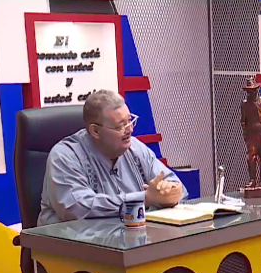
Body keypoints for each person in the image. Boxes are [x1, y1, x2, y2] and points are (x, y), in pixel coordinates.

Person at [38, 90, 187, 226]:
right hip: (71, 243)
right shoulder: (65, 156)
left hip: (128, 238)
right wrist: (145, 199)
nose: (130, 129)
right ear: (95, 131)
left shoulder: (135, 148)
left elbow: (174, 185)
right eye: (120, 126)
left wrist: (170, 193)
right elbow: (77, 208)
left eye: (130, 121)